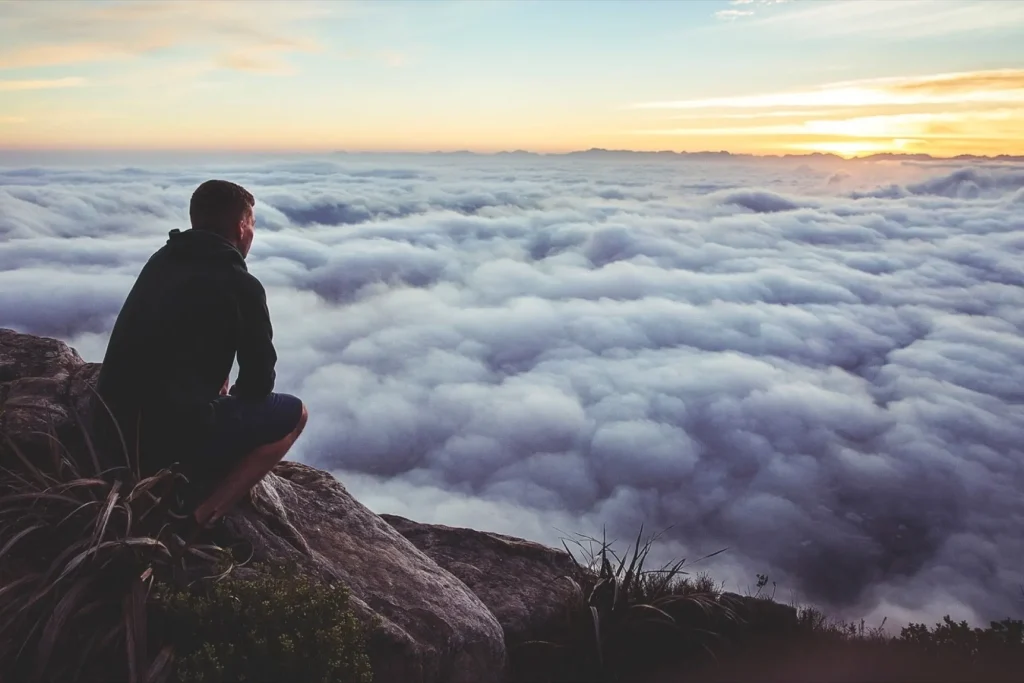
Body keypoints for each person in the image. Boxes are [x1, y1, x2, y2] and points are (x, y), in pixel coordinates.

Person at [94, 179, 307, 530]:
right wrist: (226, 402)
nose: (252, 234)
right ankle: (196, 516)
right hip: (165, 441)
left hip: (111, 428)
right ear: (241, 228)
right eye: (252, 225)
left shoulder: (162, 260)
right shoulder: (240, 285)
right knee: (295, 413)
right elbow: (258, 384)